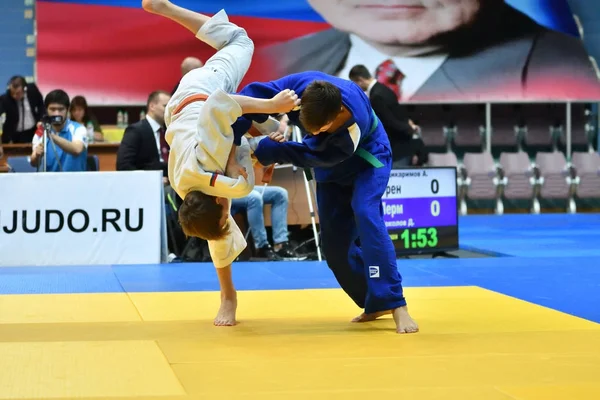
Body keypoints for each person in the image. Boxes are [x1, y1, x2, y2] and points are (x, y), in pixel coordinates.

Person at [141, 0, 299, 327]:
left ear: (219, 199)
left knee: (240, 40)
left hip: (203, 90)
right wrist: (268, 134)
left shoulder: (214, 168)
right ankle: (228, 297)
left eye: (227, 210)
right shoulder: (190, 191)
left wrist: (273, 106)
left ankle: (167, 8)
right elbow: (235, 145)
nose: (230, 212)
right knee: (214, 231)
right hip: (184, 114)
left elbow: (220, 105)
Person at [238, 71, 419, 334]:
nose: (314, 132)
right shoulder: (302, 86)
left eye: (321, 129)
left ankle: (396, 302)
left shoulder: (353, 120)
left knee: (366, 212)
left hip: (367, 160)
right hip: (330, 170)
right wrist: (236, 134)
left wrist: (261, 148)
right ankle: (374, 299)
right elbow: (253, 93)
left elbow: (315, 154)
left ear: (339, 113)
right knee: (334, 247)